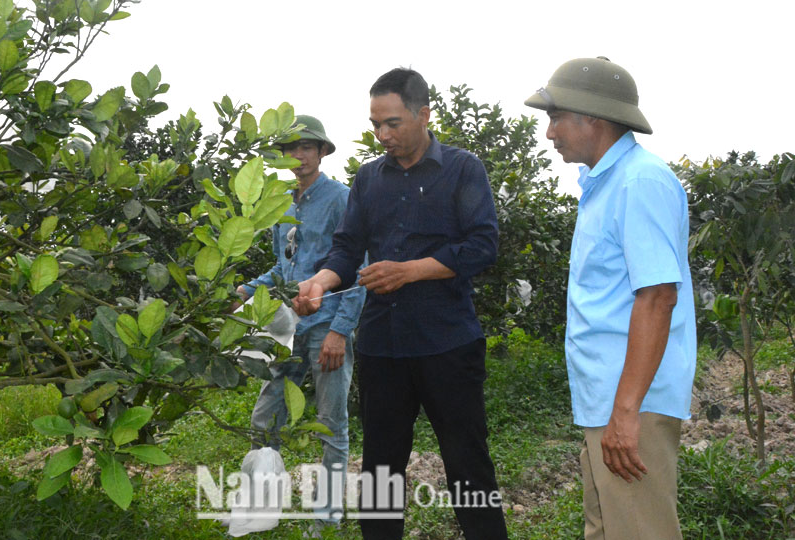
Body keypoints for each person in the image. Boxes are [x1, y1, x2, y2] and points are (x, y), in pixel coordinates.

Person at [293, 68, 507, 540]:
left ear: (423, 114)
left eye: (392, 123)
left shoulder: (462, 168)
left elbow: (483, 245)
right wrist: (321, 282)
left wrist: (408, 270)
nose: (382, 134)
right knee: (381, 473)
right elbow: (348, 247)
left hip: (447, 343)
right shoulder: (369, 179)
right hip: (383, 346)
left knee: (468, 464)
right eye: (375, 125)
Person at [524, 57, 696, 540]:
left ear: (591, 118)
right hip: (609, 400)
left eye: (556, 118)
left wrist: (625, 412)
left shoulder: (639, 182)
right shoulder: (605, 185)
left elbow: (658, 296)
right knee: (606, 530)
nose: (550, 132)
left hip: (631, 403)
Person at [236, 115, 366, 525]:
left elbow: (359, 269)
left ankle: (326, 516)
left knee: (330, 423)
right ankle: (260, 508)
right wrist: (243, 290)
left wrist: (339, 332)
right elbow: (284, 269)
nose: (297, 156)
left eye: (306, 147)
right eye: (289, 149)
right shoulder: (282, 204)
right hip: (286, 327)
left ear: (322, 152)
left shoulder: (342, 199)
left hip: (326, 328)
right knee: (265, 417)